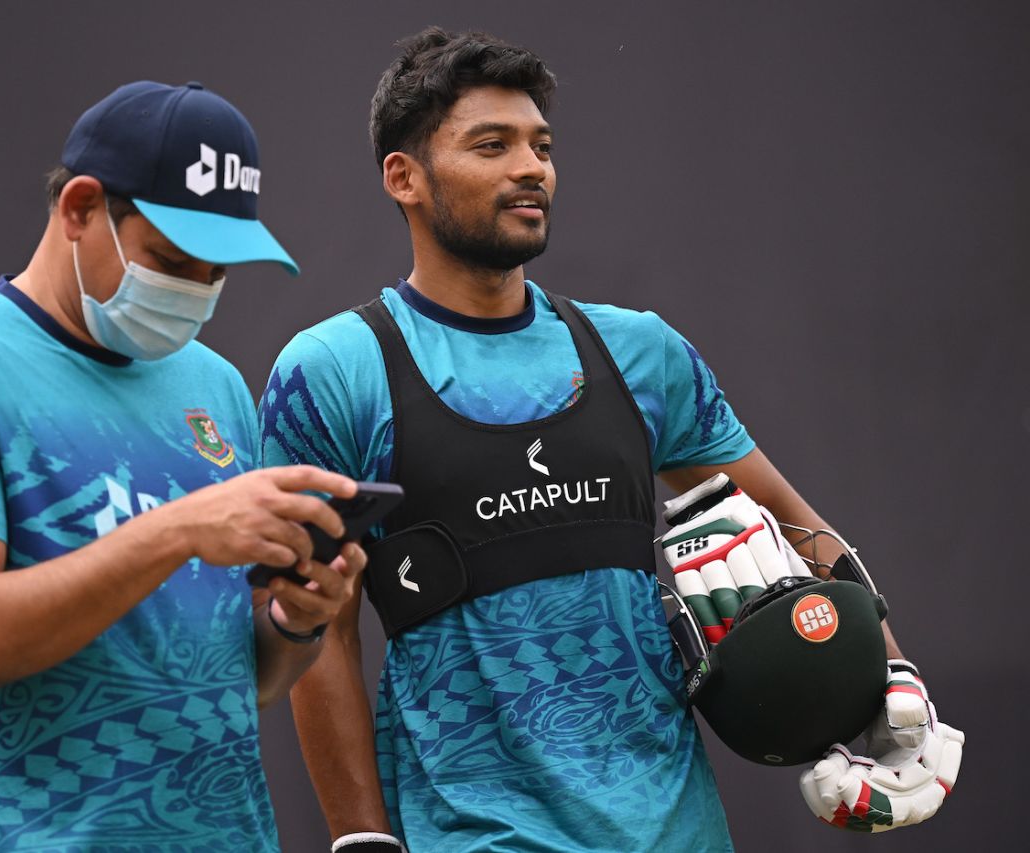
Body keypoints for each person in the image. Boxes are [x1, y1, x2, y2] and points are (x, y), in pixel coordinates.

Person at [258, 29, 960, 852]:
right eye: (493, 145)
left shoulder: (643, 351)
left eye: (542, 146)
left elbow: (787, 519)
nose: (532, 168)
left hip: (680, 830)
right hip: (474, 834)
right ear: (403, 178)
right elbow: (321, 630)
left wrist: (894, 681)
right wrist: (359, 838)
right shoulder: (332, 371)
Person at [0, 80, 366, 852]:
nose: (195, 293)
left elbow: (246, 683)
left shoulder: (217, 384)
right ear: (80, 209)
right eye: (172, 259)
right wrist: (179, 530)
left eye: (218, 274)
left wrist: (296, 621)